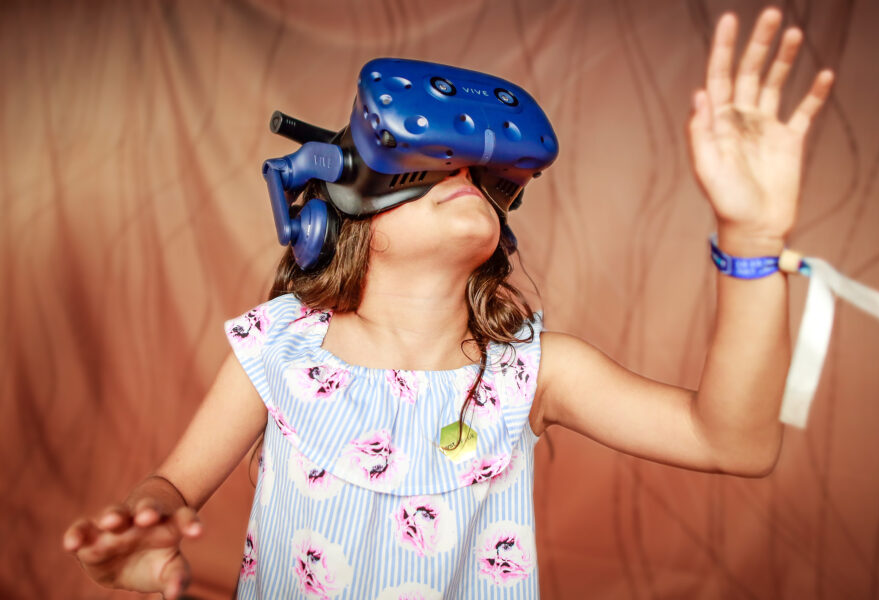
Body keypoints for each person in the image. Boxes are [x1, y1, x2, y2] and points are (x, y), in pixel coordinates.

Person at [63, 7, 833, 599]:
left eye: (479, 173)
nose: (462, 175)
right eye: (431, 165)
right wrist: (146, 524)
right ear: (340, 210)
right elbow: (172, 488)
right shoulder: (278, 350)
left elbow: (736, 442)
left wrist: (752, 236)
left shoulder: (536, 371)